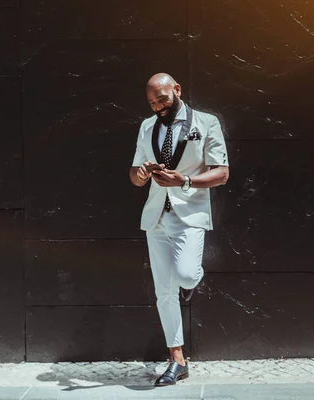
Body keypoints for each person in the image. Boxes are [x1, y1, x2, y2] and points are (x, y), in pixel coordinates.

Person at [129, 73, 229, 386]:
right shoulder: (147, 126)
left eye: (163, 98)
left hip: (190, 215)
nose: (158, 106)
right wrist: (143, 173)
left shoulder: (206, 122)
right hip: (156, 216)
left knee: (186, 274)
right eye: (152, 102)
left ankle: (190, 277)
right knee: (164, 291)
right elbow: (134, 174)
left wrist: (184, 180)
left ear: (177, 90)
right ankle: (176, 359)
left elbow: (222, 173)